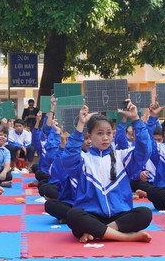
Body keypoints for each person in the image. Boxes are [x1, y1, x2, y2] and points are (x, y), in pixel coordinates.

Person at [61, 102, 152, 243]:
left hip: (119, 216)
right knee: (73, 215)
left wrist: (135, 119)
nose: (105, 138)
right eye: (99, 133)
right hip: (91, 216)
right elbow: (67, 159)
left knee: (145, 214)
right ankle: (125, 237)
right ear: (89, 136)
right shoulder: (84, 159)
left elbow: (145, 150)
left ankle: (98, 232)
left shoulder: (122, 156)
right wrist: (80, 125)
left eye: (109, 133)